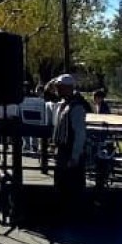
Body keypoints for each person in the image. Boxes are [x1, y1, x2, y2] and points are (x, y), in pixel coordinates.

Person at [46, 74, 89, 214]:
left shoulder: (76, 107)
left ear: (68, 88)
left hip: (70, 151)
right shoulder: (61, 104)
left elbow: (79, 134)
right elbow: (47, 93)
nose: (57, 89)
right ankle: (63, 212)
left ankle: (74, 215)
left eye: (60, 87)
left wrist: (75, 156)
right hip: (62, 150)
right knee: (60, 185)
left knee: (73, 186)